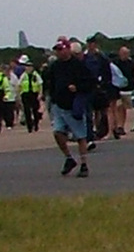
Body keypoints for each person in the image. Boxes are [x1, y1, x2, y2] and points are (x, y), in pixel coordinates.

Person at [45, 37, 92, 176]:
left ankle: (84, 164)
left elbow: (90, 83)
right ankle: (68, 158)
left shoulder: (78, 65)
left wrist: (77, 88)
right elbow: (50, 81)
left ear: (67, 49)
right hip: (59, 105)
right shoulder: (55, 66)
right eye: (57, 50)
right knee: (57, 132)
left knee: (80, 136)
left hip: (73, 105)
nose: (59, 52)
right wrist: (51, 96)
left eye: (61, 49)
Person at [17, 56, 43, 133]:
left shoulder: (36, 75)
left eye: (30, 67)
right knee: (27, 110)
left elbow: (40, 84)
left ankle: (36, 124)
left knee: (35, 110)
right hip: (25, 94)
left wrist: (40, 94)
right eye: (27, 67)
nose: (28, 68)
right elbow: (19, 85)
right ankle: (29, 126)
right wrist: (19, 95)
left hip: (34, 94)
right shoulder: (23, 75)